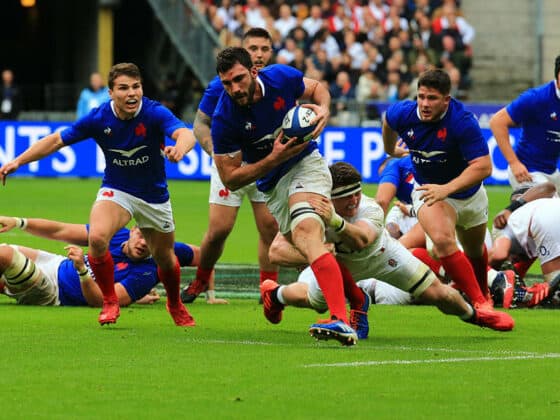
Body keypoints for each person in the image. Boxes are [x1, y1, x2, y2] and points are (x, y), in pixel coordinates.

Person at [0, 63, 197, 327]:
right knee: (97, 237)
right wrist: (18, 162)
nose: (132, 94)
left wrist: (180, 149)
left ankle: (175, 304)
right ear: (111, 92)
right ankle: (109, 301)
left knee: (164, 258)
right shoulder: (98, 118)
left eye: (136, 87)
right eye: (124, 88)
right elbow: (56, 140)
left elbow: (185, 133)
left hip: (153, 196)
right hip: (118, 190)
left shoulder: (153, 112)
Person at [264, 162, 514, 341]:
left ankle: (476, 316)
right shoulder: (313, 209)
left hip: (382, 256)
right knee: (313, 302)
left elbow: (362, 239)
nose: (354, 201)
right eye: (345, 197)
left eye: (357, 193)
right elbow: (276, 252)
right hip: (338, 268)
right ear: (329, 198)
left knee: (439, 294)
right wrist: (315, 252)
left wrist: (335, 222)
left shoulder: (369, 209)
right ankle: (275, 296)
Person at [211, 46, 359, 345]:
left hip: (307, 164)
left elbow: (317, 88)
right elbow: (231, 177)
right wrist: (273, 159)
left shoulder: (280, 77)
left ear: (254, 71)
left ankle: (341, 318)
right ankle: (276, 295)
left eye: (239, 79)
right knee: (302, 244)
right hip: (272, 185)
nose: (234, 88)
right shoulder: (224, 119)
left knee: (307, 230)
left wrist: (324, 110)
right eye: (227, 83)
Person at [382, 68, 496, 312]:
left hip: (469, 194)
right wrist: (390, 148)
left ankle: (482, 292)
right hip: (427, 190)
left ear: (446, 99)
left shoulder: (461, 121)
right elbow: (388, 121)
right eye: (421, 96)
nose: (424, 103)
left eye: (432, 98)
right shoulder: (404, 113)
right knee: (443, 242)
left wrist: (447, 188)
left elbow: (484, 167)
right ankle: (479, 302)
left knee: (475, 249)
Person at [181, 28, 279, 304]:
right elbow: (200, 124)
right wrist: (216, 152)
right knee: (220, 229)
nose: (258, 54)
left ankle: (268, 288)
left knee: (270, 228)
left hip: (262, 165)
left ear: (270, 52)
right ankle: (201, 279)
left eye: (264, 49)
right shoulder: (220, 86)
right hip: (230, 166)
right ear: (243, 51)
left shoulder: (277, 82)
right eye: (253, 49)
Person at [0, 215, 219, 306]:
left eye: (152, 241)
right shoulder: (114, 233)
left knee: (5, 255)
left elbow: (101, 302)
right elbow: (61, 230)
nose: (144, 244)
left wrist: (82, 270)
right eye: (142, 235)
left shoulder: (145, 274)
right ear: (133, 229)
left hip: (54, 292)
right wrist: (19, 222)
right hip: (55, 263)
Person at [489, 55, 560, 192]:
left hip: (552, 172)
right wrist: (514, 163)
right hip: (528, 171)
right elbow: (497, 122)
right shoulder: (536, 98)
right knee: (546, 210)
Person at [490, 182, 560, 308]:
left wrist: (489, 274)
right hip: (549, 222)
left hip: (543, 223)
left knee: (554, 295)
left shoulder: (505, 220)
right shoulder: (546, 203)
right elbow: (519, 270)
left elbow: (498, 256)